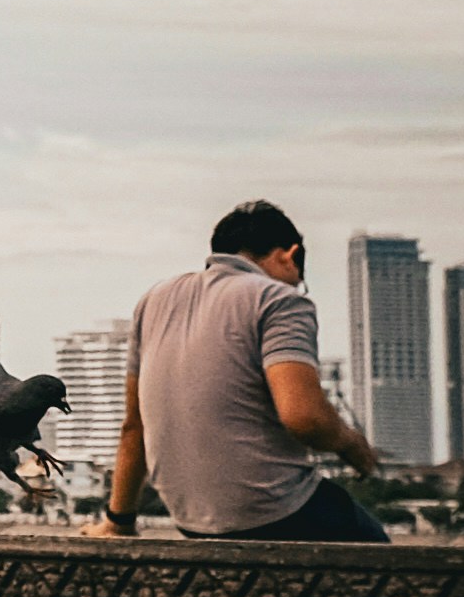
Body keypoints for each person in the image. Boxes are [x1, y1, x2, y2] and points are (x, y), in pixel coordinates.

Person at [112, 200, 387, 544]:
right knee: (393, 565)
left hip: (190, 519)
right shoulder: (280, 300)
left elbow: (133, 426)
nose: (297, 286)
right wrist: (352, 444)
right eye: (299, 278)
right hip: (276, 510)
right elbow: (304, 417)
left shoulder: (154, 299)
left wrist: (119, 521)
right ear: (290, 255)